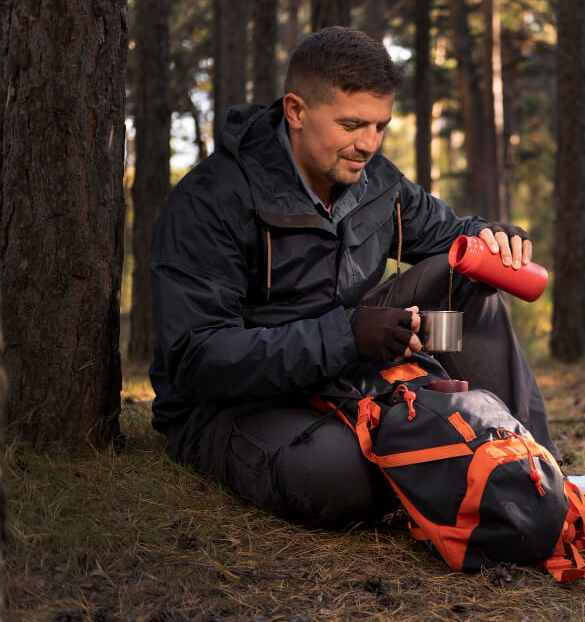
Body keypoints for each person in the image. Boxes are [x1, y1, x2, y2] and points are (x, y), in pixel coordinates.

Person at [148, 26, 561, 529]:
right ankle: (450, 462)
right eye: (350, 125)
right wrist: (344, 336)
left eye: (380, 126)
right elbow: (196, 358)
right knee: (343, 477)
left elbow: (450, 233)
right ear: (295, 111)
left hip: (344, 370)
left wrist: (492, 235)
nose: (367, 144)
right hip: (232, 405)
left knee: (470, 272)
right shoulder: (210, 200)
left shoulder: (375, 182)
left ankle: (537, 470)